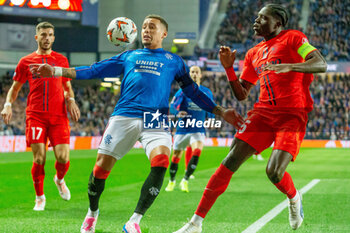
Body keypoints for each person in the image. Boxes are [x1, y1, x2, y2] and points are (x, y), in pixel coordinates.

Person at [29, 15, 244, 233]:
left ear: (164, 34)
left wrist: (219, 110)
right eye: (143, 27)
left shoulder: (174, 61)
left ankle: (134, 220)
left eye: (152, 27)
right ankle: (92, 213)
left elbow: (193, 92)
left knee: (161, 161)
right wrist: (56, 71)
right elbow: (95, 70)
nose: (146, 31)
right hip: (125, 115)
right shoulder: (129, 56)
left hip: (156, 118)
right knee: (100, 169)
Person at [174, 4, 327, 233]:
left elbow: (321, 63)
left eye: (263, 17)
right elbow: (242, 94)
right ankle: (195, 223)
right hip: (262, 114)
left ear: (277, 23)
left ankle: (294, 198)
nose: (256, 20)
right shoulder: (254, 53)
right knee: (229, 161)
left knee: (274, 172)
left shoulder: (294, 38)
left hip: (291, 115)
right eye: (257, 17)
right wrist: (229, 70)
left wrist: (291, 66)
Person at [0, 22, 80, 211]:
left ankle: (59, 179)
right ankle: (40, 197)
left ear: (54, 38)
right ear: (37, 38)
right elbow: (15, 87)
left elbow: (67, 87)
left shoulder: (61, 60)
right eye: (43, 35)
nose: (46, 38)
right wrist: (8, 105)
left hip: (58, 116)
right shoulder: (25, 62)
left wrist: (71, 100)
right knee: (39, 159)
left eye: (50, 35)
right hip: (36, 115)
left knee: (62, 157)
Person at [165, 66, 215, 193]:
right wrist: (177, 113)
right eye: (192, 72)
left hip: (198, 128)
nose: (194, 74)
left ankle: (185, 180)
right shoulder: (182, 91)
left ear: (200, 75)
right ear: (189, 75)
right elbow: (173, 106)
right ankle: (172, 181)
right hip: (183, 129)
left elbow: (212, 107)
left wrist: (211, 119)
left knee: (197, 150)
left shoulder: (206, 92)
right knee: (176, 156)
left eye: (196, 72)